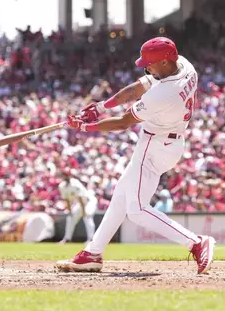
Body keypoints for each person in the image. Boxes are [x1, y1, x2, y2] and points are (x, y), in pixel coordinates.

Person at [55, 37, 215, 274]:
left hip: (154, 145)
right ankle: (93, 253)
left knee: (137, 210)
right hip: (168, 142)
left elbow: (123, 123)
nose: (145, 67)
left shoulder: (164, 92)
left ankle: (196, 243)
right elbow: (138, 87)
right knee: (121, 194)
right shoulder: (182, 64)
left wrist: (84, 127)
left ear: (163, 61)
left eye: (149, 64)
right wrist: (100, 108)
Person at [58, 168, 97, 244]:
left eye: (67, 175)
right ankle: (67, 239)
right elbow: (67, 200)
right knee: (70, 218)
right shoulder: (62, 186)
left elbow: (81, 198)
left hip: (88, 201)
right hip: (80, 203)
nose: (65, 177)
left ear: (69, 176)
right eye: (64, 175)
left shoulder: (75, 183)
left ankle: (91, 239)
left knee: (87, 217)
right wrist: (70, 211)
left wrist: (84, 212)